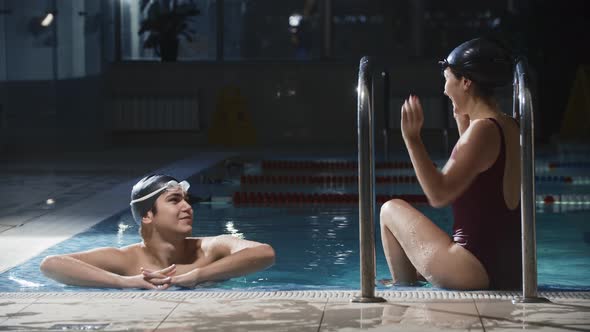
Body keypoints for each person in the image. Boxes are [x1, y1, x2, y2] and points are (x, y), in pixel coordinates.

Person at [379, 37, 522, 290]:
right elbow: (483, 179)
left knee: (390, 209)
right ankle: (410, 278)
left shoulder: (482, 131)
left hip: (473, 268)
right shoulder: (509, 124)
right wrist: (463, 125)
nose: (445, 89)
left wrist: (412, 140)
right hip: (508, 269)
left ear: (466, 82)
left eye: (448, 79)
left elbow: (438, 193)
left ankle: (403, 288)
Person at [40, 174, 275, 289]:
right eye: (175, 200)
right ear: (147, 215)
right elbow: (51, 264)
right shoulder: (126, 260)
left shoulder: (210, 249)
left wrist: (198, 275)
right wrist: (124, 282)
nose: (187, 207)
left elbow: (264, 253)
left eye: (186, 200)